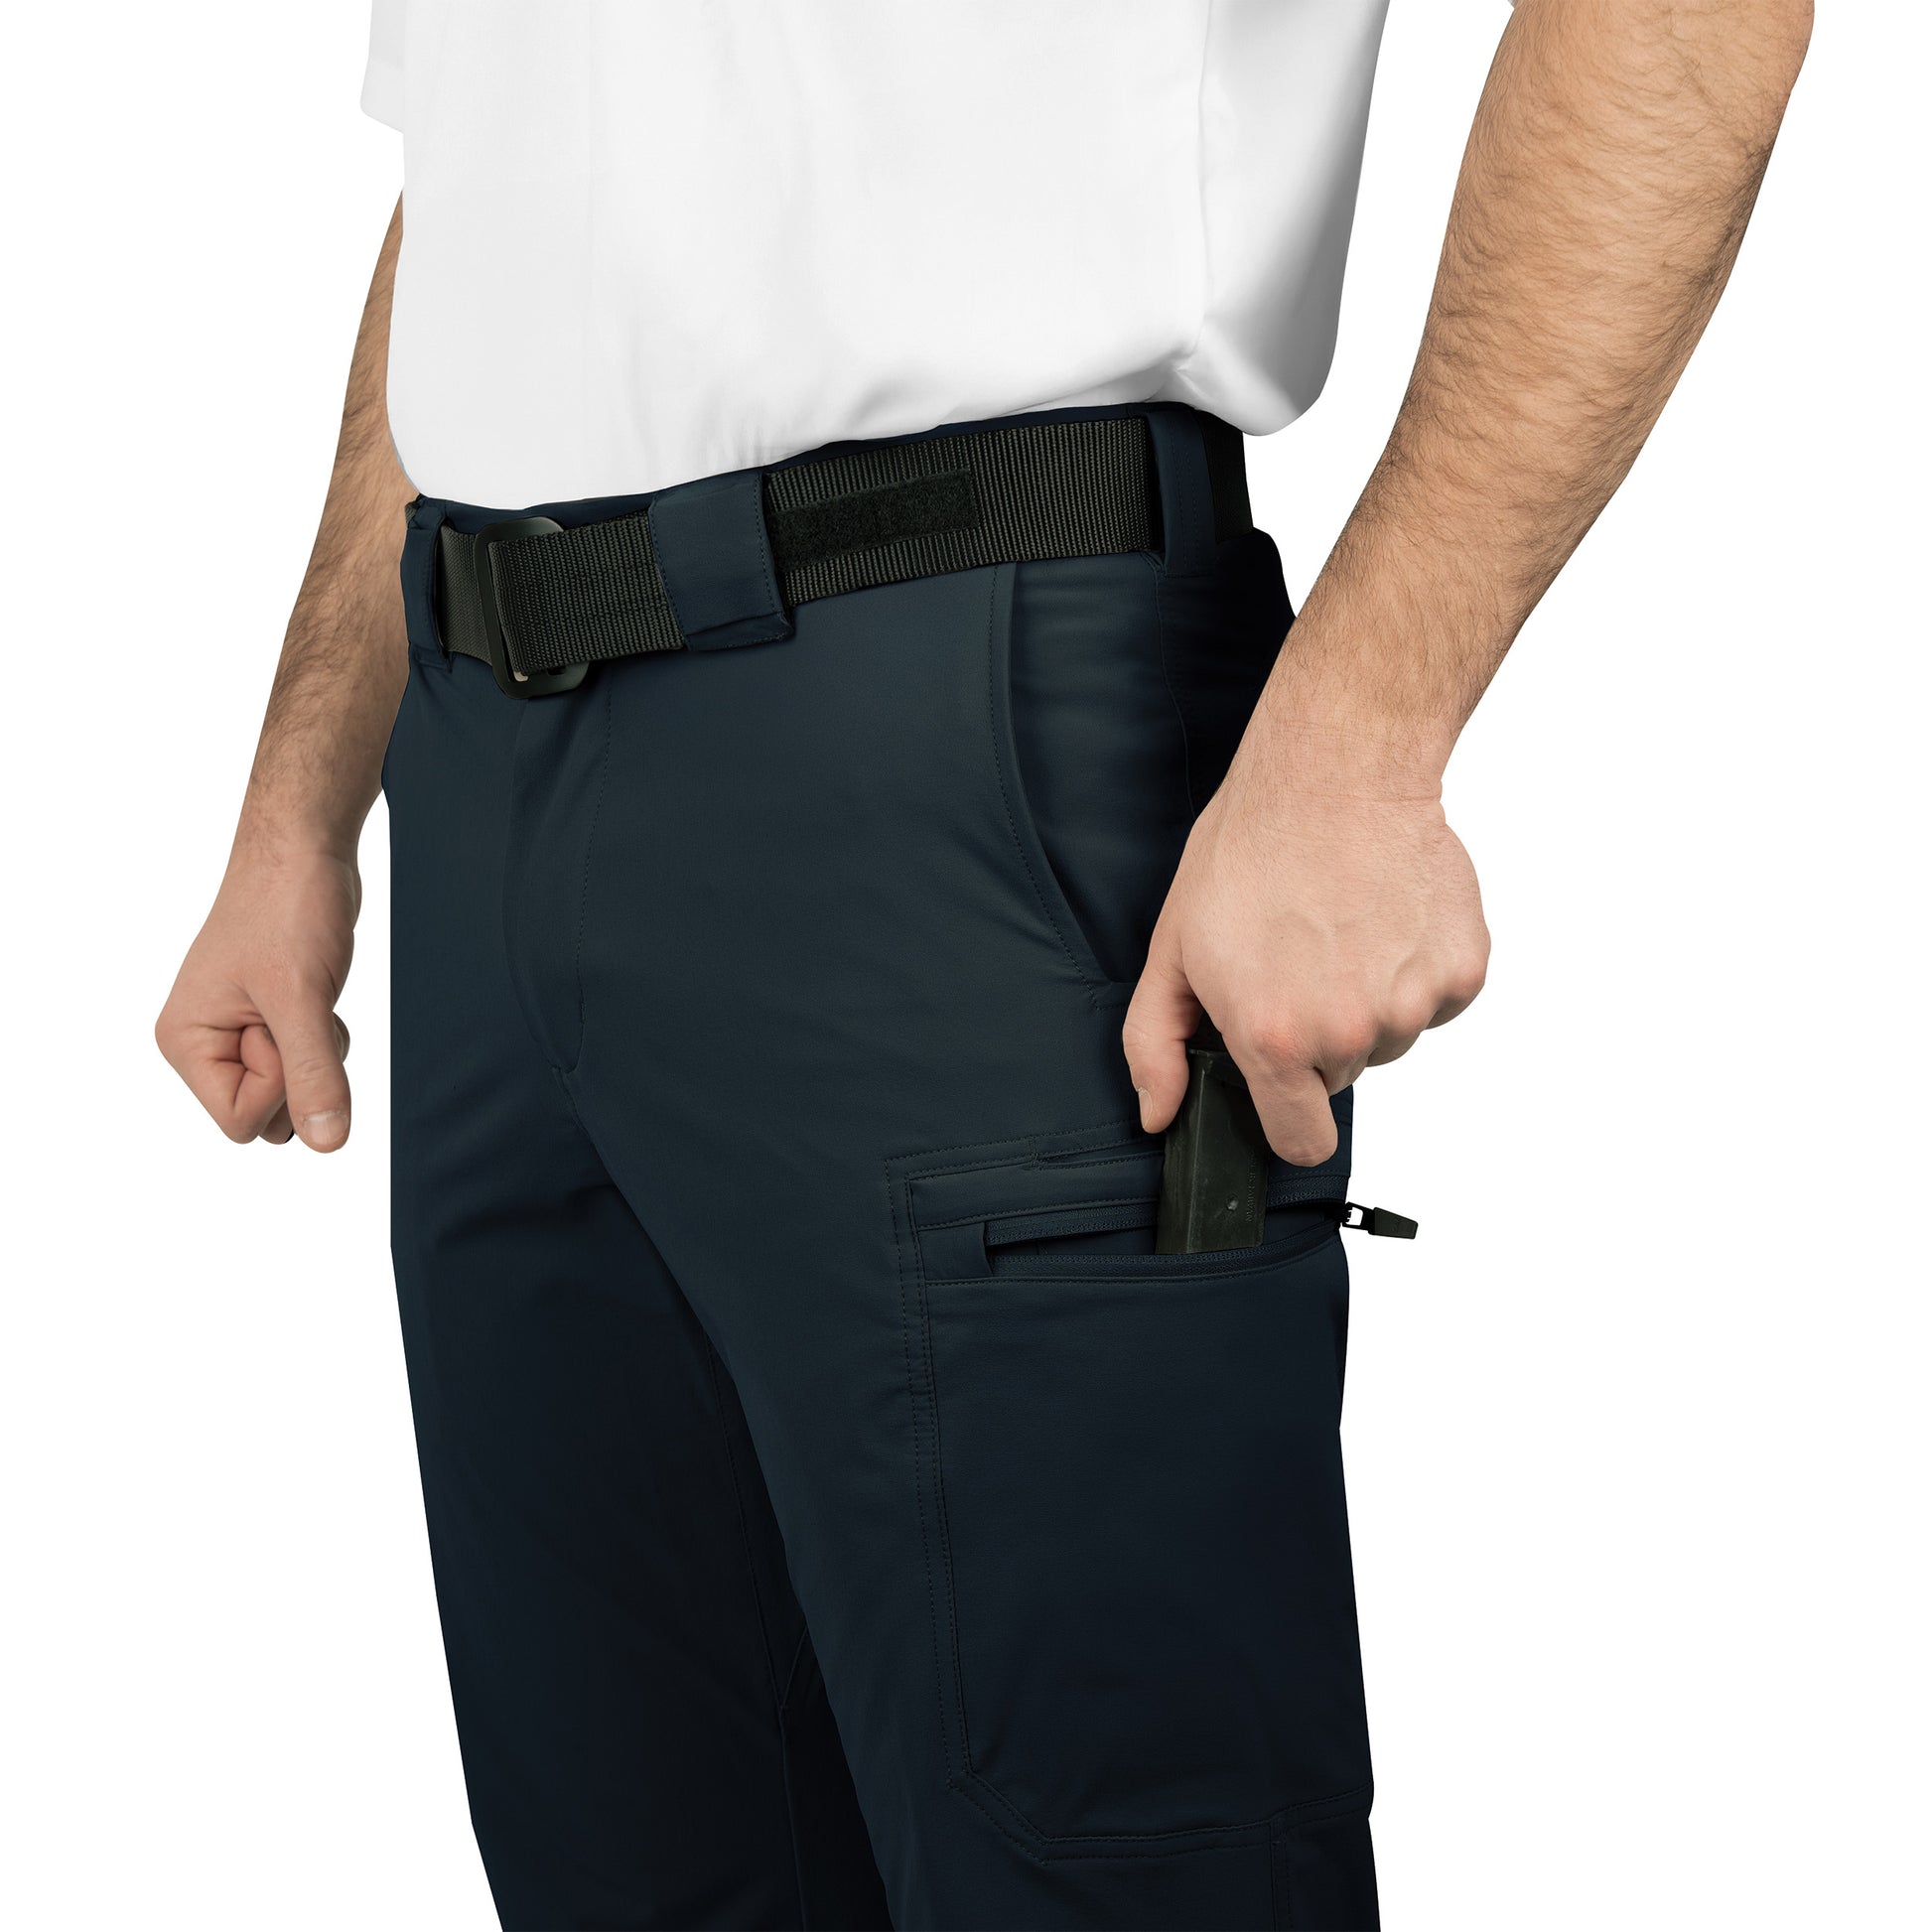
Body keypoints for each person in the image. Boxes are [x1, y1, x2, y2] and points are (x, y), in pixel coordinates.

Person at [155, 3, 1808, 1926]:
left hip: (967, 731)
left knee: (1106, 1861)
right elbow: (484, 186)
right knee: (632, 1853)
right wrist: (301, 800)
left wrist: (1364, 736)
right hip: (482, 775)